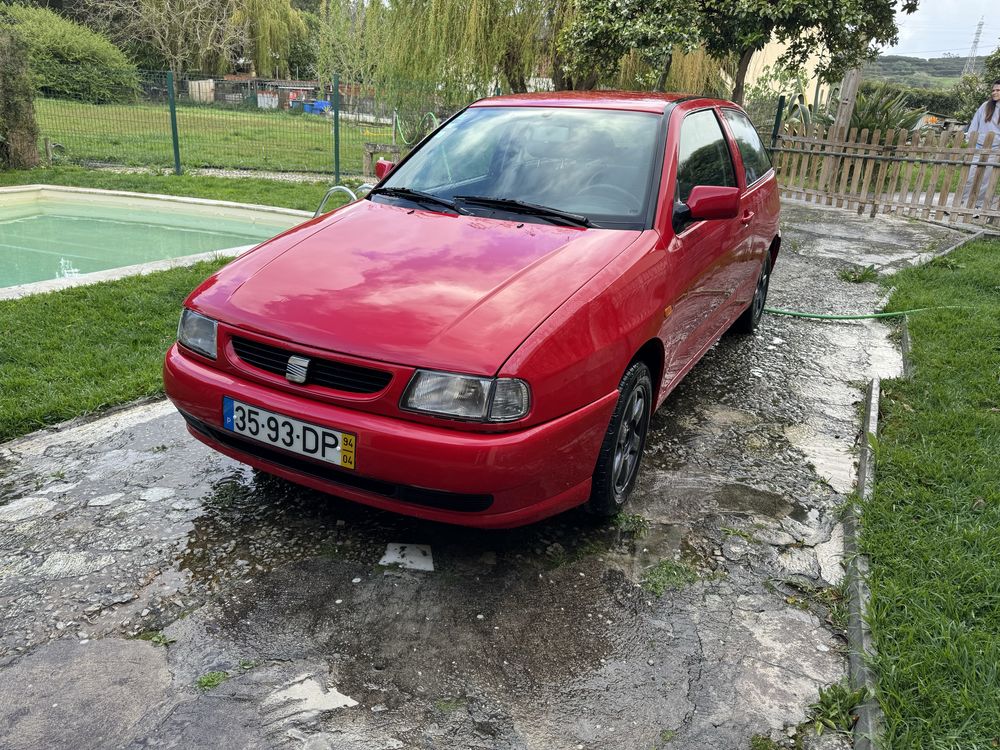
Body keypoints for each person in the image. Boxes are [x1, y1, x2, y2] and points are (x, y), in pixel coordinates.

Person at [960, 78, 1000, 213]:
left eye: (998, 90)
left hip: (995, 149)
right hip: (978, 145)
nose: (994, 93)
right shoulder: (985, 106)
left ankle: (978, 206)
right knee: (971, 176)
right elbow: (974, 123)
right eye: (993, 90)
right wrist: (970, 139)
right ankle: (963, 202)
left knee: (986, 179)